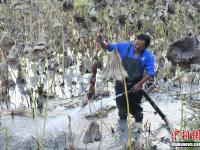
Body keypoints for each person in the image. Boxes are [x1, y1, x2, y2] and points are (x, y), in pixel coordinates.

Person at [97, 33, 155, 131]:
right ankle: (123, 130)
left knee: (136, 109)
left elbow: (150, 73)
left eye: (141, 46)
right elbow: (109, 46)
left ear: (145, 47)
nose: (137, 47)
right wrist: (101, 42)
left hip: (136, 85)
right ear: (134, 40)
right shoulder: (124, 46)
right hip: (121, 82)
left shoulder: (148, 56)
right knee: (122, 109)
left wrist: (139, 84)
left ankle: (138, 131)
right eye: (136, 43)